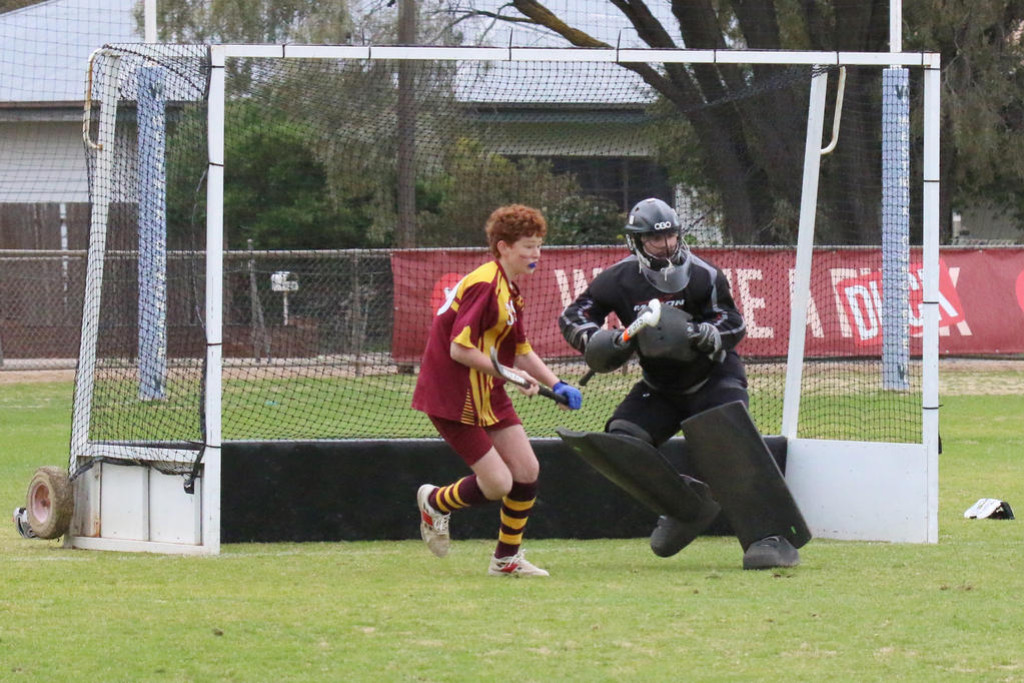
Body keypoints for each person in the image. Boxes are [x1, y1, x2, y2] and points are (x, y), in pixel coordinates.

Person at [558, 197, 801, 569]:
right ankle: (686, 508)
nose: (666, 245)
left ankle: (769, 537)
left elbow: (733, 322)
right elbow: (575, 314)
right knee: (621, 441)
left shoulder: (705, 274)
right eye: (656, 239)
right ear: (637, 242)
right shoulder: (617, 279)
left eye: (671, 236)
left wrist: (709, 332)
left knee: (727, 445)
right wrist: (594, 339)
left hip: (714, 377)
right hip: (659, 387)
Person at [412, 204, 582, 577]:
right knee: (498, 483)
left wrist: (558, 384)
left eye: (539, 246)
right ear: (503, 247)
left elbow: (520, 350)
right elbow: (460, 349)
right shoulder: (485, 285)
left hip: (488, 391)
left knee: (526, 470)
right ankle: (436, 502)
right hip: (453, 396)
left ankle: (506, 560)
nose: (535, 255)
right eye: (527, 247)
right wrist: (513, 377)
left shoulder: (510, 290)